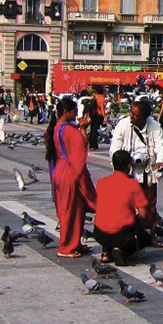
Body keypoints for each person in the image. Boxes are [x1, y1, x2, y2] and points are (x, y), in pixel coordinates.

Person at [110, 99, 163, 239]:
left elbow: (161, 148)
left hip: (148, 173)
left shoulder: (154, 126)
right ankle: (128, 234)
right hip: (127, 172)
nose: (131, 116)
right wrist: (120, 164)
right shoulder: (123, 125)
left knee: (149, 208)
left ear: (144, 117)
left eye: (135, 115)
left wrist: (160, 161)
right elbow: (114, 149)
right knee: (125, 206)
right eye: (131, 113)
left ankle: (149, 236)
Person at [45, 96, 96, 258]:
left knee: (77, 209)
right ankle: (66, 247)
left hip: (60, 170)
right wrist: (83, 130)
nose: (75, 114)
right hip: (69, 172)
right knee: (70, 211)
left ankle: (75, 243)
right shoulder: (68, 130)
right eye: (74, 111)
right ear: (66, 112)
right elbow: (80, 151)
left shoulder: (57, 127)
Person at [94, 150, 151, 265]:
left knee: (109, 222)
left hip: (99, 233)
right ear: (129, 167)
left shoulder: (101, 182)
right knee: (144, 238)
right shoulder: (132, 184)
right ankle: (120, 251)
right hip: (122, 234)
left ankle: (106, 252)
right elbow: (144, 214)